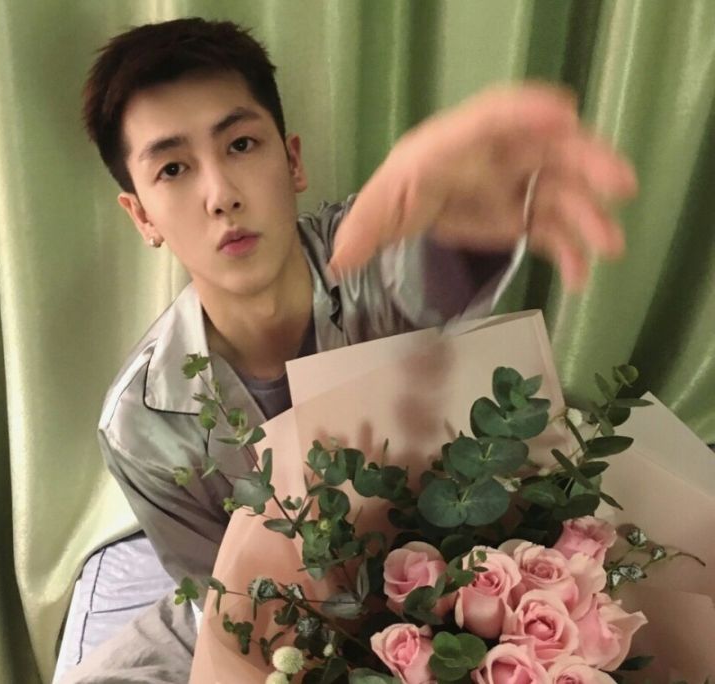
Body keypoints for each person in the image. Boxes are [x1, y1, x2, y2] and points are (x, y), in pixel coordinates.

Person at [66, 15, 636, 682]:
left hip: (453, 571)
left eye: (242, 144)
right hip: (284, 625)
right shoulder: (141, 424)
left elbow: (423, 274)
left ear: (293, 161)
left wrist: (469, 229)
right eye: (172, 168)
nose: (221, 195)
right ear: (142, 215)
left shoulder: (371, 244)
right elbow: (230, 607)